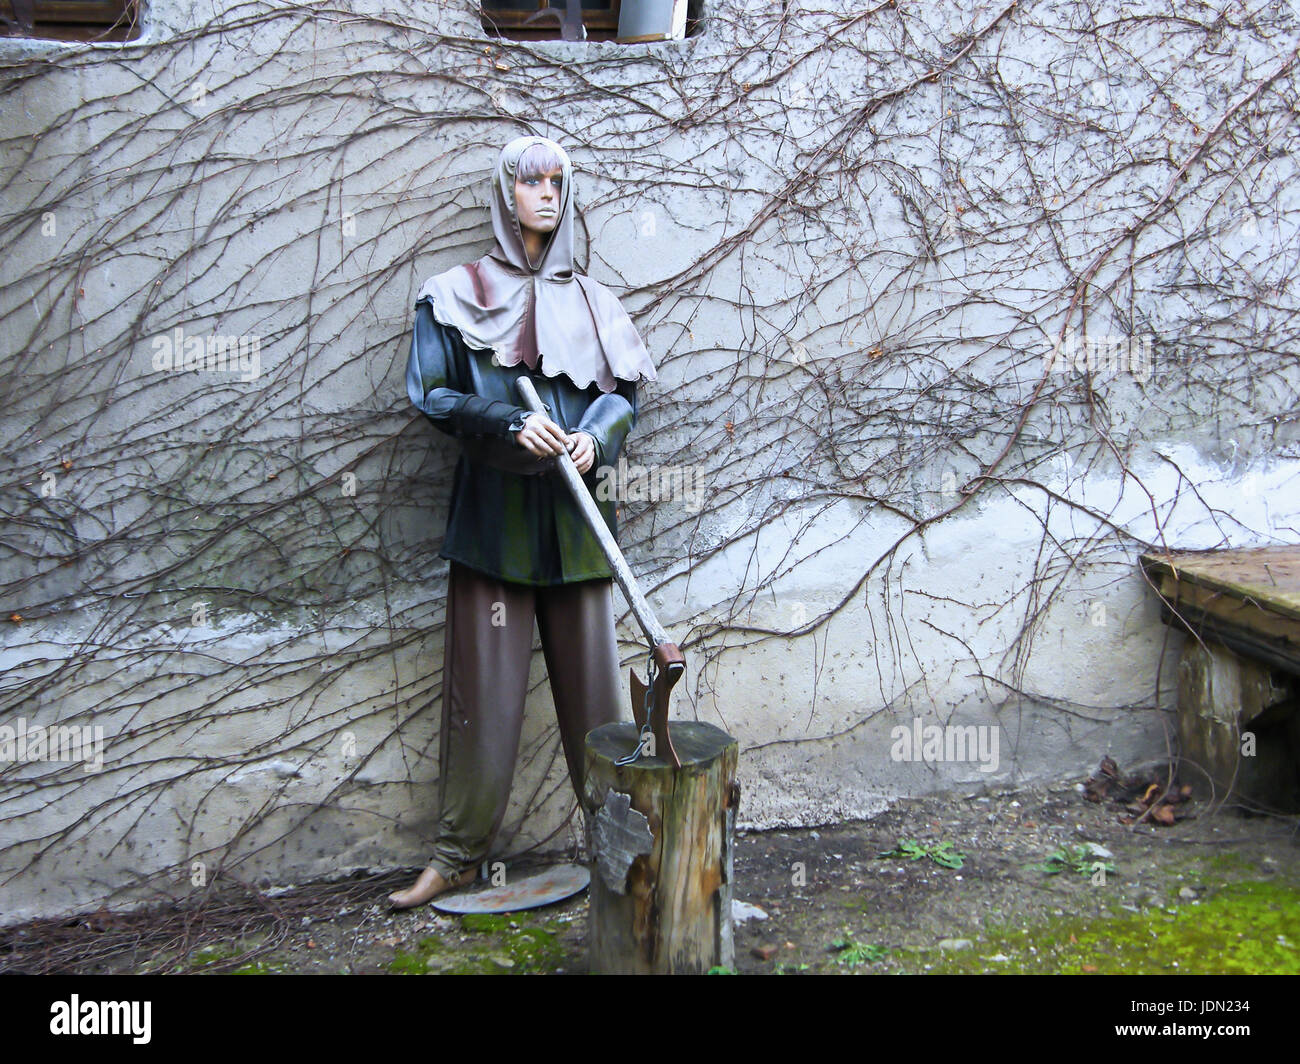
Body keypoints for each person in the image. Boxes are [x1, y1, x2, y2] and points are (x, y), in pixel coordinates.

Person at [391, 135, 658, 908]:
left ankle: (624, 852)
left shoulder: (596, 300)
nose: (545, 192)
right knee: (484, 697)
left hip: (579, 528)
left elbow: (624, 398)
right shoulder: (455, 290)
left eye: (556, 181)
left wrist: (592, 437)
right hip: (495, 523)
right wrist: (507, 422)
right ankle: (459, 855)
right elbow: (431, 395)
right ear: (504, 191)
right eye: (529, 180)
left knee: (599, 704)